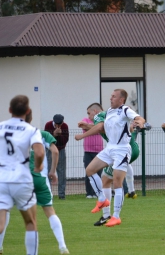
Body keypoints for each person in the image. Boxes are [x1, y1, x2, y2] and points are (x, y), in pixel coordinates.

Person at [0, 110, 70, 255]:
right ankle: (62, 247)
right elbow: (55, 151)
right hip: (39, 179)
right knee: (50, 211)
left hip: (19, 181)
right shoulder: (41, 134)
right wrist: (52, 171)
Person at [0, 95, 45, 255]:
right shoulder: (31, 130)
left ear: (10, 110)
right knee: (30, 222)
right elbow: (39, 151)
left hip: (0, 181)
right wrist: (38, 166)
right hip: (21, 180)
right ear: (28, 111)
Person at [76, 89, 145, 227]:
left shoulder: (125, 109)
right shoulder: (108, 112)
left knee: (117, 182)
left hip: (122, 149)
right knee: (90, 170)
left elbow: (139, 118)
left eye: (114, 97)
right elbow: (103, 127)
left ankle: (116, 216)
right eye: (111, 96)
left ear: (121, 100)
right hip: (110, 148)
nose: (110, 98)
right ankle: (102, 199)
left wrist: (140, 123)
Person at [78, 103, 104, 198]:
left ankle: (97, 192)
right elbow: (82, 125)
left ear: (95, 111)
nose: (88, 115)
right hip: (88, 151)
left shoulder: (101, 121)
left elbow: (100, 128)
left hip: (99, 151)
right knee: (89, 172)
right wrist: (95, 127)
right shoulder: (85, 120)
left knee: (98, 173)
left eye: (89, 113)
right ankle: (89, 193)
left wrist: (90, 126)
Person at [45, 114, 69, 200]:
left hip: (61, 150)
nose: (58, 126)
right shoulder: (48, 125)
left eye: (60, 124)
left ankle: (61, 194)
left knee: (62, 172)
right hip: (50, 151)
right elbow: (46, 139)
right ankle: (48, 193)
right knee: (48, 171)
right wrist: (54, 134)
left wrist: (60, 134)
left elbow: (65, 141)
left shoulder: (65, 126)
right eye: (56, 124)